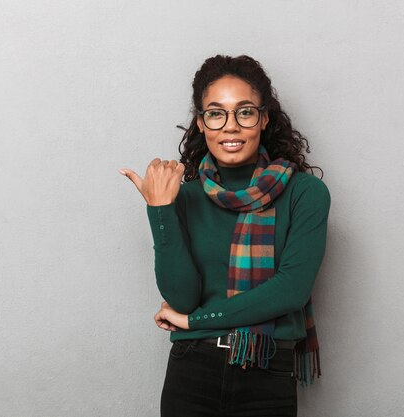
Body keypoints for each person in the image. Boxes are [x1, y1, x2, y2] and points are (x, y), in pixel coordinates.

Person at [120, 55, 330, 417]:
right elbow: (182, 298)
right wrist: (159, 211)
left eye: (245, 112)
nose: (230, 126)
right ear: (201, 124)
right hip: (192, 370)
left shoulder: (305, 194)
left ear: (264, 118)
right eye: (216, 113)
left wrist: (195, 322)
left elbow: (291, 290)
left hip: (267, 371)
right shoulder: (183, 197)